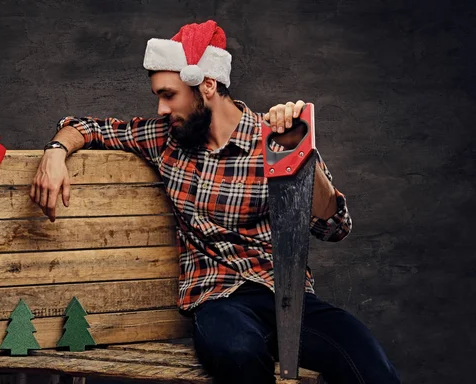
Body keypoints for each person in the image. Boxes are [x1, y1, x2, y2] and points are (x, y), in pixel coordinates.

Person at [30, 20, 400, 384]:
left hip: (286, 296)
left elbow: (333, 226)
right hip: (219, 299)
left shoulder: (272, 138)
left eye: (168, 94)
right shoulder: (165, 138)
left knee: (369, 364)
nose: (160, 108)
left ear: (206, 85)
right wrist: (55, 152)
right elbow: (87, 126)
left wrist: (301, 154)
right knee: (236, 353)